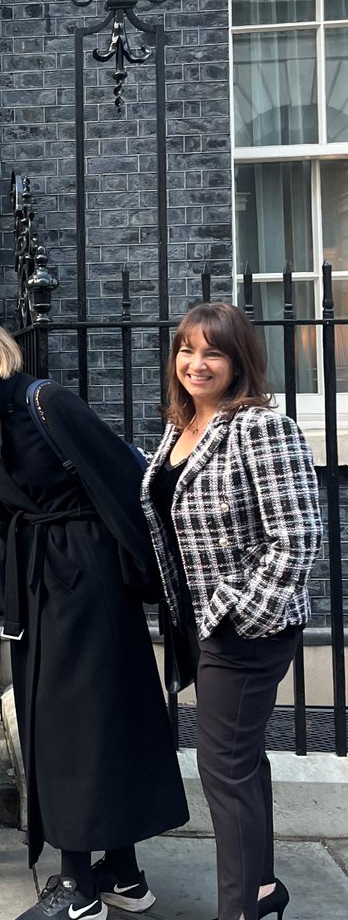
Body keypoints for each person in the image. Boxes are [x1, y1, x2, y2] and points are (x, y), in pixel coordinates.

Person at [0, 304, 188, 920]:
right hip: (39, 581)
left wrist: (136, 580)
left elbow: (129, 477)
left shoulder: (47, 401)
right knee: (78, 722)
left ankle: (78, 889)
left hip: (85, 577)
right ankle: (122, 875)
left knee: (74, 725)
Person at [141, 303, 321, 920]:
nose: (196, 363)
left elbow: (297, 537)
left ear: (238, 359)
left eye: (212, 352)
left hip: (245, 627)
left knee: (223, 770)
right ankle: (262, 889)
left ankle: (238, 908)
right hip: (203, 621)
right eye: (186, 350)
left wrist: (235, 616)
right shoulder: (181, 425)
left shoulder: (260, 427)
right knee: (240, 762)